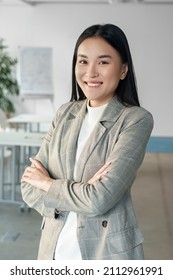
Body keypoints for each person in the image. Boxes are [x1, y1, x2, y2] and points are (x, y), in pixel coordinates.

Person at [21, 23, 154, 260]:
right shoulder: (65, 113)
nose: (90, 72)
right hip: (53, 251)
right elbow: (29, 188)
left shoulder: (135, 120)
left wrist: (48, 184)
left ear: (123, 70)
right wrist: (82, 192)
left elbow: (99, 199)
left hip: (106, 254)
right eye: (83, 61)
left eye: (103, 62)